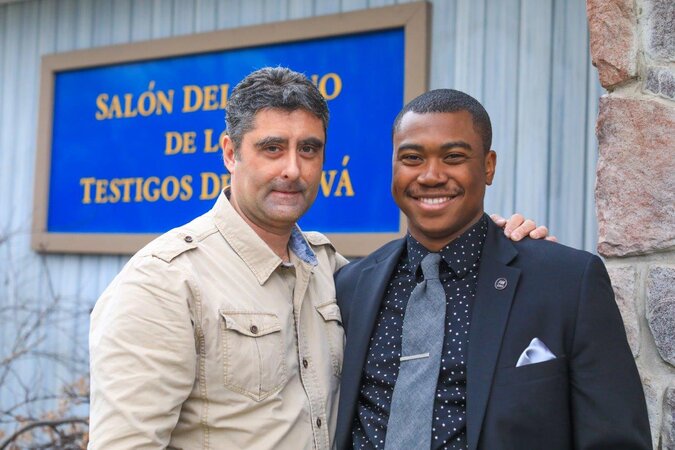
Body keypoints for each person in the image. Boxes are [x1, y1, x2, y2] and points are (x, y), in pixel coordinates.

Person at [88, 68, 549, 449]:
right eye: (272, 148)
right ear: (230, 152)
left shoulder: (333, 270)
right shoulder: (164, 282)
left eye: (308, 149)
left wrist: (497, 240)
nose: (293, 169)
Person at [334, 89, 651, 450]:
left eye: (453, 157)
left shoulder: (567, 283)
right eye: (412, 158)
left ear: (488, 166)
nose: (431, 175)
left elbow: (616, 440)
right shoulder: (351, 287)